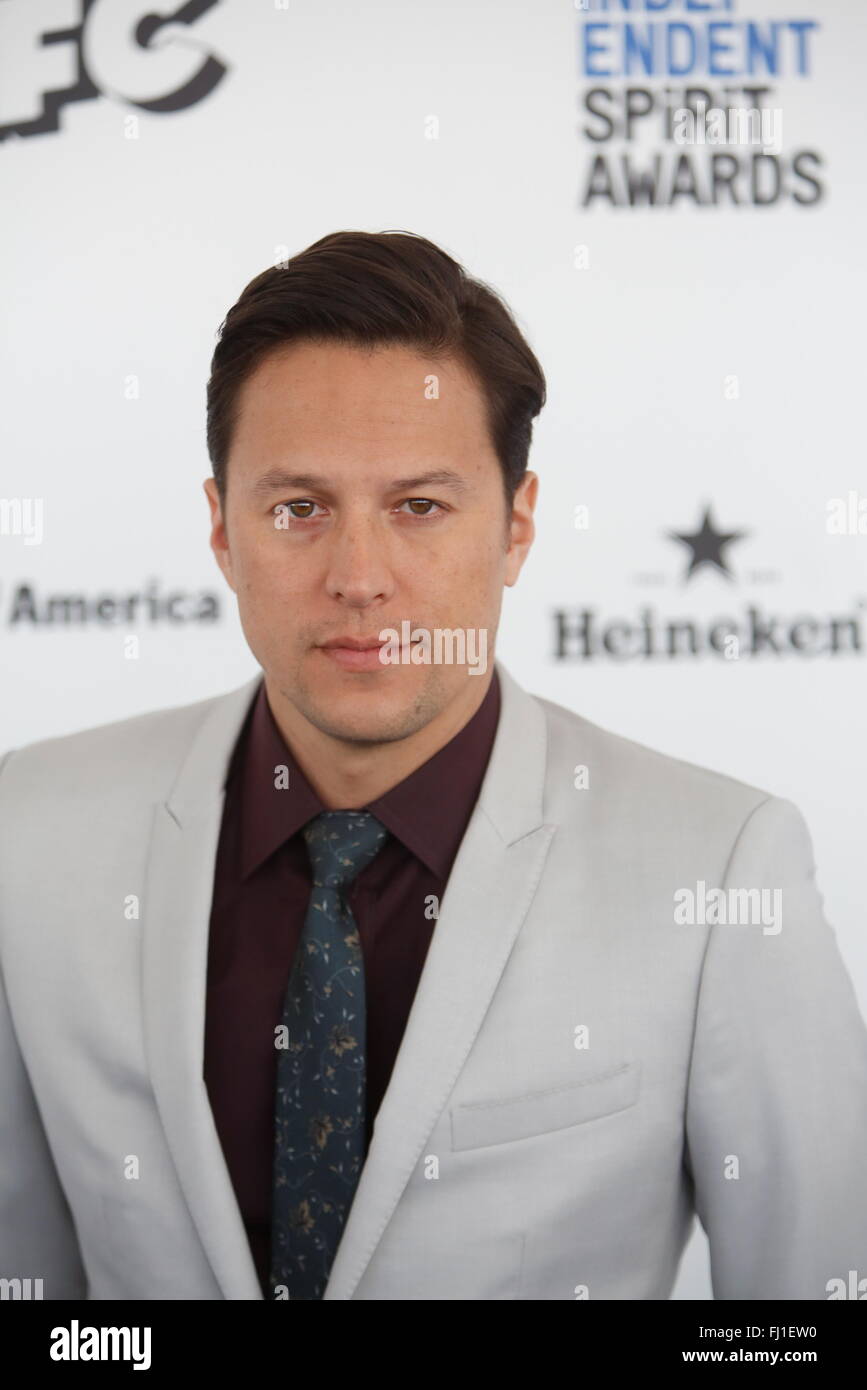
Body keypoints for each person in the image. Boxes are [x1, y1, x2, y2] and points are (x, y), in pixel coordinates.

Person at [1, 230, 865, 1301]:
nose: (359, 578)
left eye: (419, 506)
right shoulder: (30, 835)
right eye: (298, 509)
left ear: (516, 527)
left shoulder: (721, 869)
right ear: (222, 531)